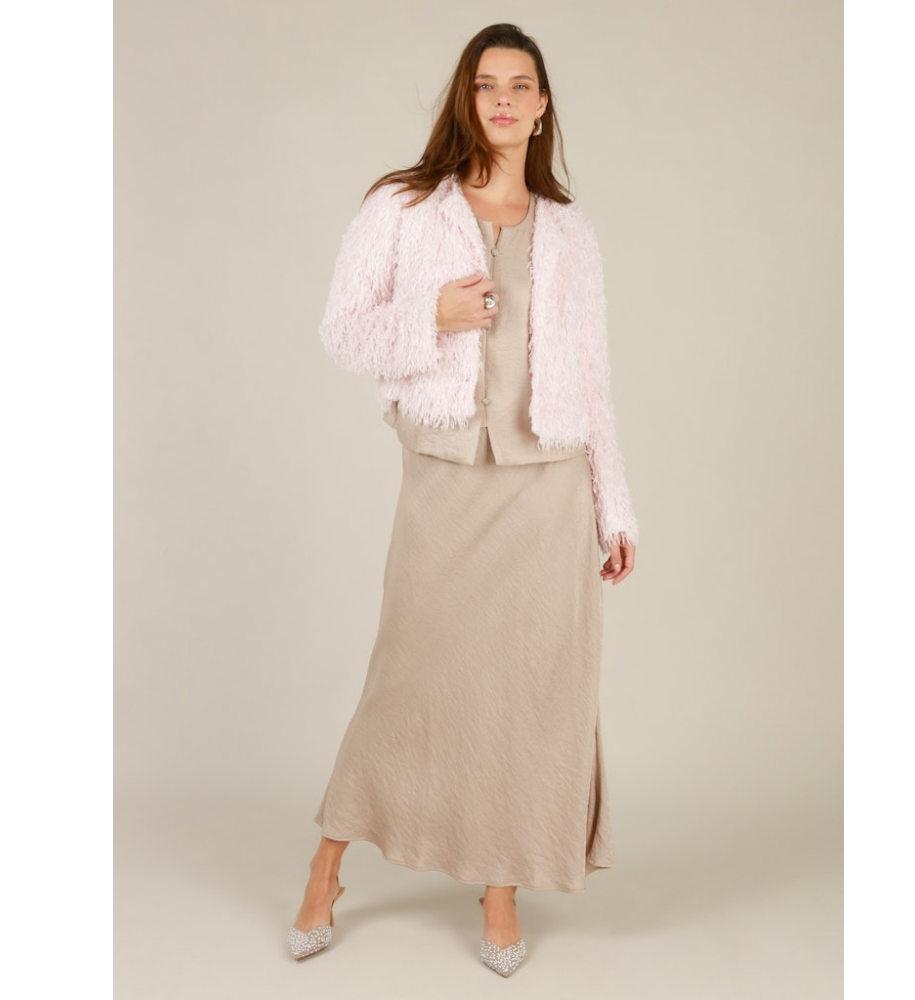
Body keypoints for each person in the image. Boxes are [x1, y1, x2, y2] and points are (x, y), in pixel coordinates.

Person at [287, 23, 639, 977]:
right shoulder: (405, 206)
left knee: (526, 692)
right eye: (487, 85)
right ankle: (327, 866)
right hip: (446, 475)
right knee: (409, 678)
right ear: (466, 98)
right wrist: (430, 314)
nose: (504, 100)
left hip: (548, 487)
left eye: (521, 85)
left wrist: (613, 509)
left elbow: (593, 381)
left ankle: (499, 886)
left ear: (543, 106)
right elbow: (342, 331)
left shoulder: (569, 230)